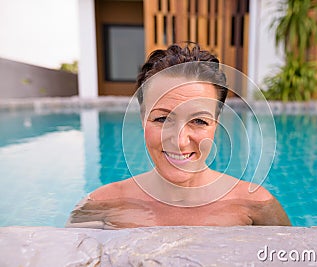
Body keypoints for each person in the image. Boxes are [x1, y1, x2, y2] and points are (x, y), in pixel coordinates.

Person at [66, 43, 290, 229]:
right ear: (143, 120)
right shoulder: (100, 206)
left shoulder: (256, 205)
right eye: (162, 119)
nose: (180, 141)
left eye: (199, 121)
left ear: (216, 125)